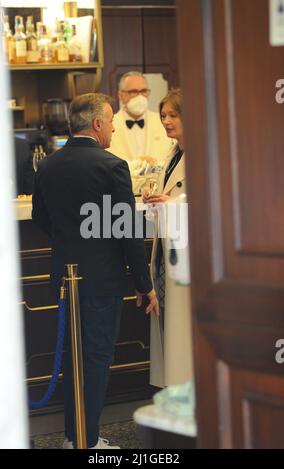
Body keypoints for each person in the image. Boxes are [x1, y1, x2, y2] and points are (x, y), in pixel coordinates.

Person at [32, 93, 159, 449]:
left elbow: (41, 218)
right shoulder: (112, 166)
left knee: (75, 360)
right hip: (101, 280)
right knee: (97, 360)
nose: (115, 128)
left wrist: (72, 239)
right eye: (111, 122)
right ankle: (85, 442)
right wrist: (143, 282)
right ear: (98, 124)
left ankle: (76, 438)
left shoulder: (48, 165)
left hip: (64, 277)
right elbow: (127, 231)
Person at [143, 89, 194, 388]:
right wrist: (156, 199)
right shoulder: (171, 153)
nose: (166, 121)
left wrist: (173, 202)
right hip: (167, 248)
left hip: (190, 254)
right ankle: (175, 389)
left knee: (183, 328)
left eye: (173, 115)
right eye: (163, 115)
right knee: (169, 322)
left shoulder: (204, 151)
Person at [107, 71, 173, 163]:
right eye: (133, 92)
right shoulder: (109, 124)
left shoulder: (163, 122)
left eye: (143, 91)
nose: (140, 97)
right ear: (120, 95)